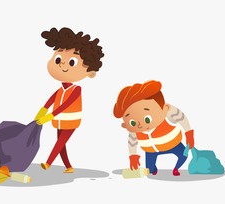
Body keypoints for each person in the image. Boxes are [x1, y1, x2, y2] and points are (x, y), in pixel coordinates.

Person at [35, 27, 104, 173]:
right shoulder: (60, 89)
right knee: (62, 145)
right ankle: (69, 167)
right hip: (59, 120)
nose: (62, 64)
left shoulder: (76, 90)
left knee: (60, 142)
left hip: (70, 121)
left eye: (72, 62)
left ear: (89, 72)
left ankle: (48, 162)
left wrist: (50, 116)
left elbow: (66, 104)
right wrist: (42, 111)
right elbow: (51, 100)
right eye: (58, 59)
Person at [113, 80, 195, 176]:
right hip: (150, 151)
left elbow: (181, 117)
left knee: (184, 155)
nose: (140, 125)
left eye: (147, 119)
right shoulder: (135, 131)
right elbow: (132, 142)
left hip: (174, 145)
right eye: (132, 123)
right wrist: (133, 156)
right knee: (150, 170)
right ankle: (153, 169)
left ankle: (176, 168)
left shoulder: (169, 115)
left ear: (165, 109)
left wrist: (189, 133)